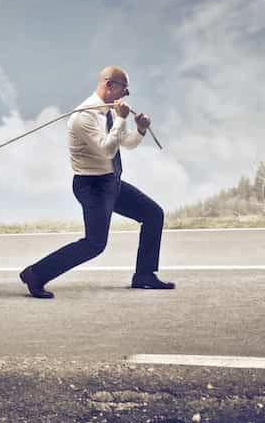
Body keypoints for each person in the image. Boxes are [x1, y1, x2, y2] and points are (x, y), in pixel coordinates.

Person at [19, 66, 174, 299]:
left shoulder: (108, 113)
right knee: (95, 244)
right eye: (124, 89)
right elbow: (107, 150)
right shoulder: (85, 117)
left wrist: (140, 130)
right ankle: (35, 274)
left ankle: (144, 276)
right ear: (109, 84)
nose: (126, 96)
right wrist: (122, 119)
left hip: (111, 182)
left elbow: (126, 143)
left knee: (153, 214)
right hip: (92, 186)